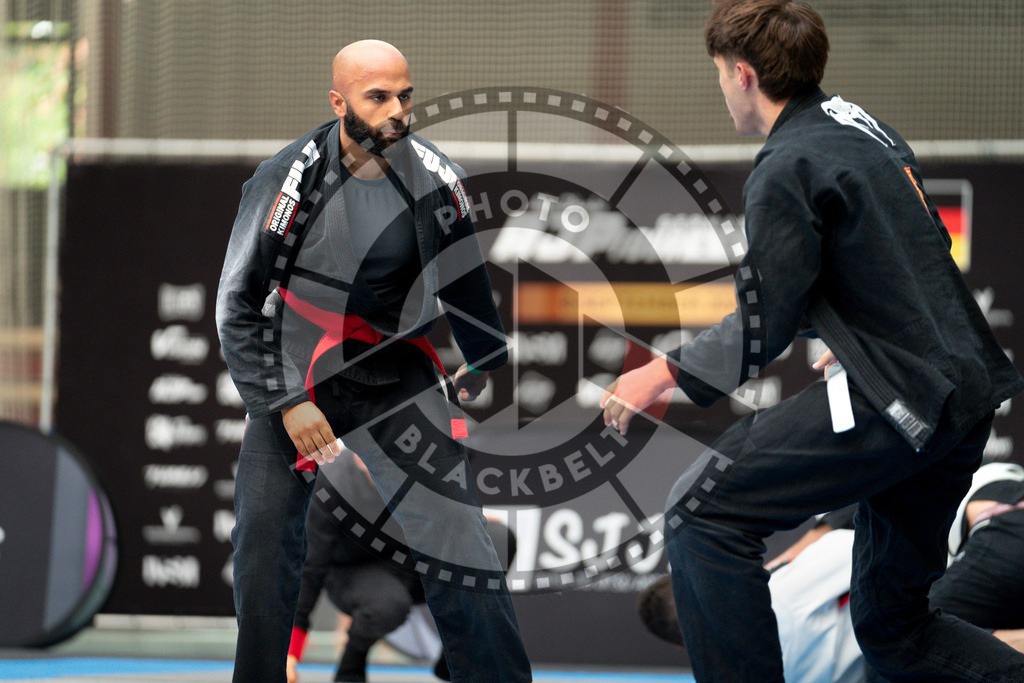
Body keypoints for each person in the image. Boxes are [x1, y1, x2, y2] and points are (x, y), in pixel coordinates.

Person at [599, 1, 1024, 680]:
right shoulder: (862, 126)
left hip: (901, 397)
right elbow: (917, 245)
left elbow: (764, 317)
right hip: (963, 395)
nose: (720, 90)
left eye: (717, 74)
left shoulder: (785, 164)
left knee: (699, 510)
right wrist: (854, 331)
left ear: (742, 74)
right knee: (893, 626)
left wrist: (657, 374)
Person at [216, 39, 532, 683]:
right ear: (338, 103)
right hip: (301, 367)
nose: (397, 111)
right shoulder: (288, 178)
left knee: (461, 543)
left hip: (394, 369)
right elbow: (237, 304)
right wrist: (286, 403)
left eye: (405, 96)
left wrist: (482, 357)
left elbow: (464, 281)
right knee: (262, 546)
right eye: (378, 97)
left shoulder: (438, 177)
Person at [637, 462, 1024, 682]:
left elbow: (850, 536)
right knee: (902, 654)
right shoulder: (778, 588)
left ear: (683, 646)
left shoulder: (777, 601)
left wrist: (793, 558)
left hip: (994, 518)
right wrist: (793, 558)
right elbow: (850, 536)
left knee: (904, 653)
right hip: (986, 514)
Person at [285, 452, 518, 683]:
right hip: (353, 570)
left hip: (413, 561)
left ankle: (455, 655)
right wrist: (290, 650)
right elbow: (310, 567)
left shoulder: (421, 468)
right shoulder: (333, 484)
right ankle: (351, 666)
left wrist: (467, 517)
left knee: (497, 541)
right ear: (358, 456)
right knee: (386, 605)